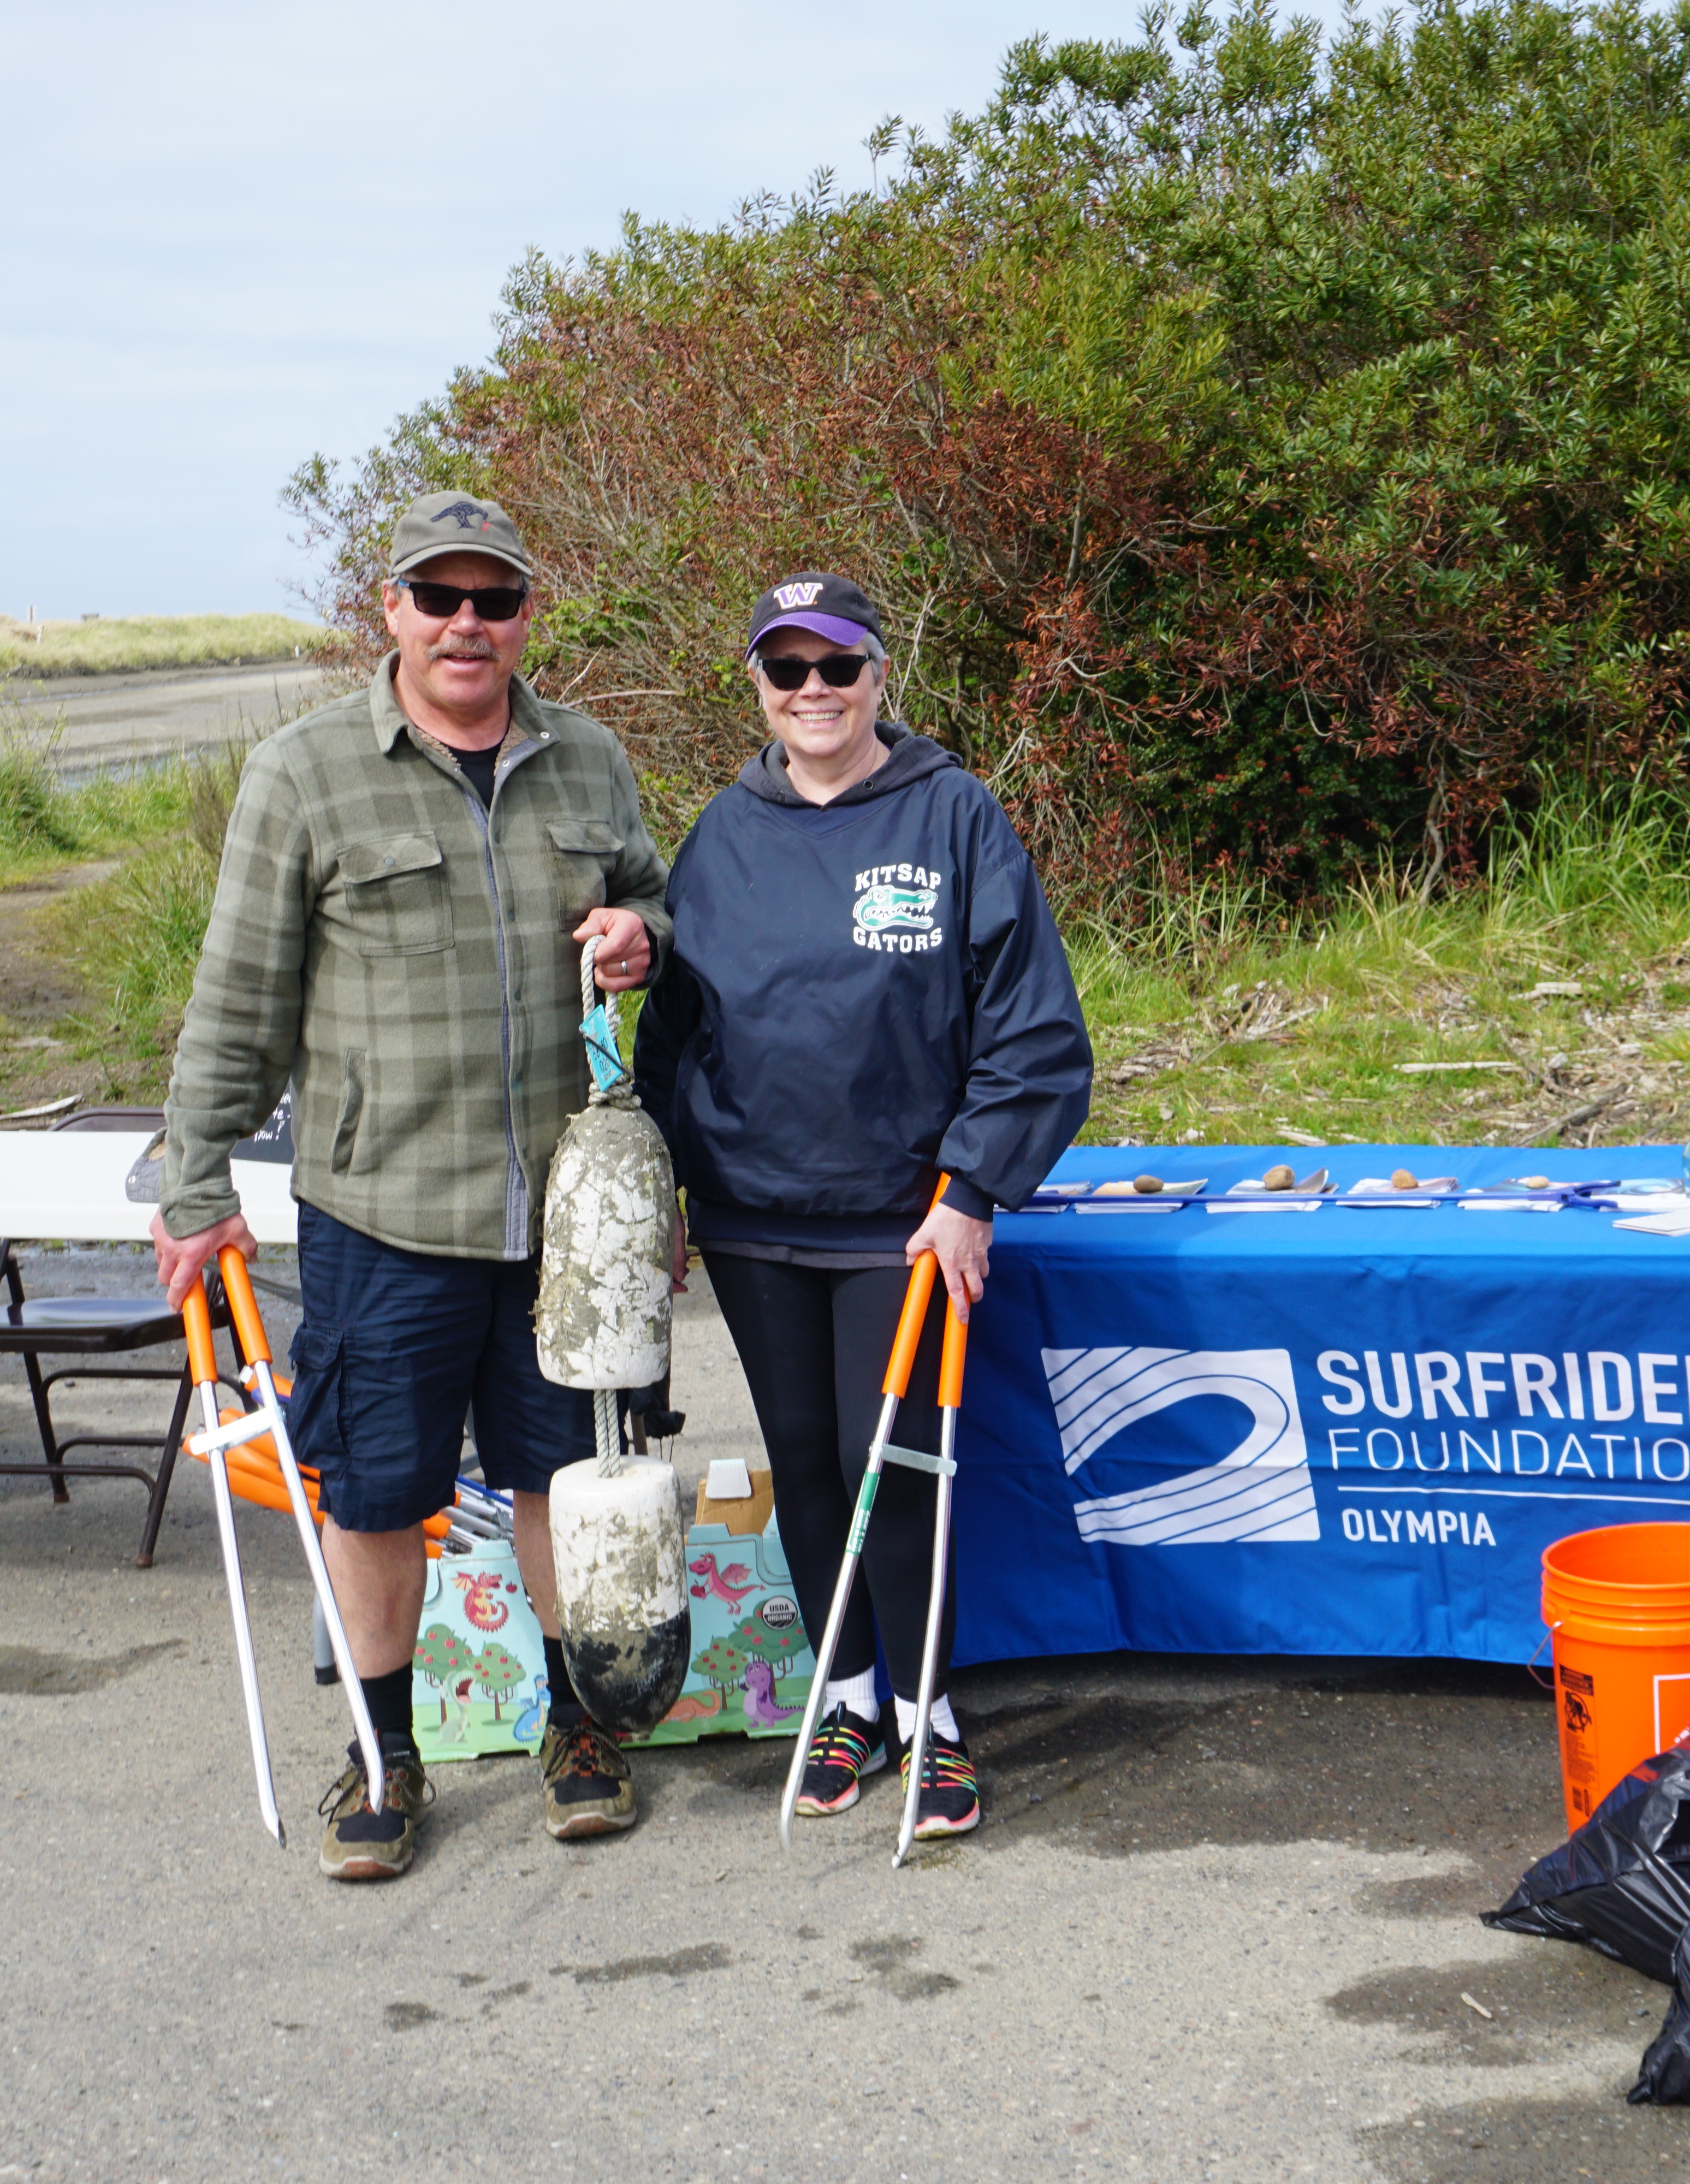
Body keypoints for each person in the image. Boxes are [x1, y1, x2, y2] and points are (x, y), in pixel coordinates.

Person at [153, 490, 672, 1880]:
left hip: (563, 1216)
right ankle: (386, 1755)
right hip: (384, 1211)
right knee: (376, 1492)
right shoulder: (303, 772)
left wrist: (642, 934)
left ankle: (579, 1729)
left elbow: (657, 911)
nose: (465, 623)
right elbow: (239, 995)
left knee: (566, 1473)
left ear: (523, 617)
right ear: (387, 611)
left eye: (492, 599)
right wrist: (194, 1177)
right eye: (437, 597)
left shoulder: (590, 759)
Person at [633, 572, 1091, 1839]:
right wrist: (668, 1182)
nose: (816, 692)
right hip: (751, 1215)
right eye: (789, 671)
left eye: (839, 666)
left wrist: (973, 1190)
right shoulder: (722, 831)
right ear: (759, 689)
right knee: (808, 1464)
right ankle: (842, 1696)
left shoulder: (953, 815)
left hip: (904, 1218)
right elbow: (672, 1031)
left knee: (891, 1464)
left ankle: (928, 1717)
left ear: (882, 675)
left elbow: (1034, 1032)